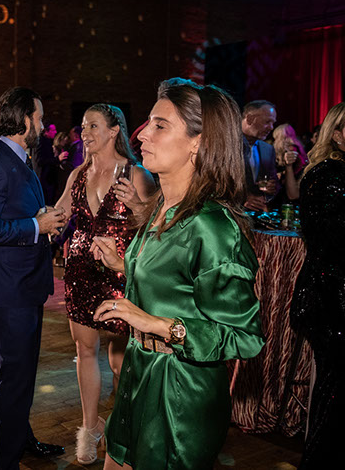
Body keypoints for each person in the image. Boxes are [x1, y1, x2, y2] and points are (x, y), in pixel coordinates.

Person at [91, 78, 264, 469]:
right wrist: (125, 265)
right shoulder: (160, 207)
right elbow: (176, 280)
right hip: (137, 374)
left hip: (178, 394)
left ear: (197, 143)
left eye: (160, 125)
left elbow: (245, 336)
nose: (141, 134)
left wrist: (155, 324)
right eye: (147, 123)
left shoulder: (213, 227)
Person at [0, 87, 67, 469]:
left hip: (23, 287)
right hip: (7, 293)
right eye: (39, 117)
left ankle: (21, 441)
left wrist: (41, 219)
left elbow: (13, 212)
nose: (43, 124)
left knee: (22, 376)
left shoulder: (19, 158)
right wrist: (35, 226)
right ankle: (6, 461)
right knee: (15, 379)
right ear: (25, 120)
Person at [54, 104, 155, 465]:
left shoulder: (136, 173)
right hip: (80, 271)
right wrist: (32, 221)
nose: (85, 133)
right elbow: (59, 214)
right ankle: (89, 427)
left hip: (119, 273)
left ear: (114, 131)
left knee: (120, 360)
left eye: (93, 126)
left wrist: (137, 205)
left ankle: (123, 425)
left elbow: (156, 224)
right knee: (85, 351)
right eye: (83, 127)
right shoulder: (78, 174)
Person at [290, 101, 345, 470]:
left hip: (329, 294)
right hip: (329, 298)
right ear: (337, 134)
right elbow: (331, 240)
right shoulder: (328, 176)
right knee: (333, 393)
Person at [241, 100, 278, 211]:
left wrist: (272, 188)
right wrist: (242, 198)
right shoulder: (226, 145)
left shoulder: (267, 149)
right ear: (249, 119)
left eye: (273, 123)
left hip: (258, 216)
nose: (271, 127)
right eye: (267, 122)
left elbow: (275, 184)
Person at [271, 123, 307, 206]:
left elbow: (294, 170)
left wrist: (282, 174)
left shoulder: (290, 150)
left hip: (289, 192)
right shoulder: (298, 147)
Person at [32, 122, 59, 205]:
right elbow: (40, 160)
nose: (55, 132)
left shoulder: (46, 142)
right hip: (45, 180)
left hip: (46, 180)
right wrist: (58, 159)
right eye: (53, 130)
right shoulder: (42, 142)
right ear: (46, 131)